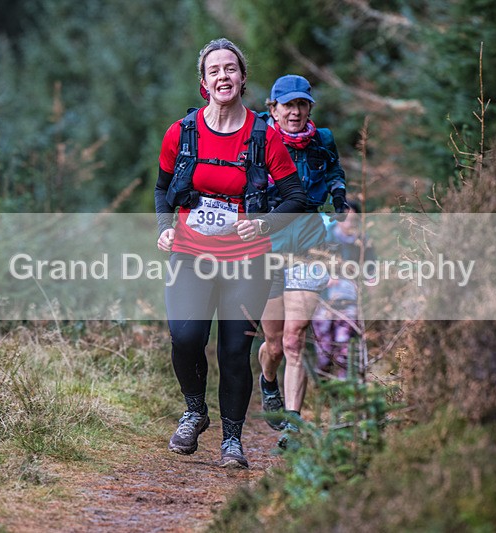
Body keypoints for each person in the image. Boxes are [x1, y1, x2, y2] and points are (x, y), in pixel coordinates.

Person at [154, 39, 306, 468]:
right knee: (185, 338)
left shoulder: (264, 136)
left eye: (231, 69)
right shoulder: (181, 133)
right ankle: (194, 412)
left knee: (233, 351)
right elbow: (163, 188)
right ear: (204, 82)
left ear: (242, 78)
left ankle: (232, 441)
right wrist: (165, 228)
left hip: (248, 259)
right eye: (215, 70)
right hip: (189, 253)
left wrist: (263, 223)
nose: (224, 76)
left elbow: (295, 197)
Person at [256, 74, 348, 448]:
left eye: (301, 104)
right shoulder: (258, 140)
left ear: (309, 107)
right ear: (273, 109)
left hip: (310, 248)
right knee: (274, 344)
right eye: (287, 105)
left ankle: (293, 423)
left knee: (295, 339)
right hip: (267, 249)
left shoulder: (322, 141)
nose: (294, 112)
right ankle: (268, 381)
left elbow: (335, 171)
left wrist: (340, 195)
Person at [312, 201, 375, 379]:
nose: (349, 223)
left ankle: (344, 391)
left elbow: (372, 270)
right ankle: (323, 389)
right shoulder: (323, 239)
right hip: (324, 304)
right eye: (346, 218)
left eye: (353, 219)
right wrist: (324, 279)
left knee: (344, 351)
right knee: (324, 353)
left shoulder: (363, 242)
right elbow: (311, 266)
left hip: (349, 304)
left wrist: (369, 287)